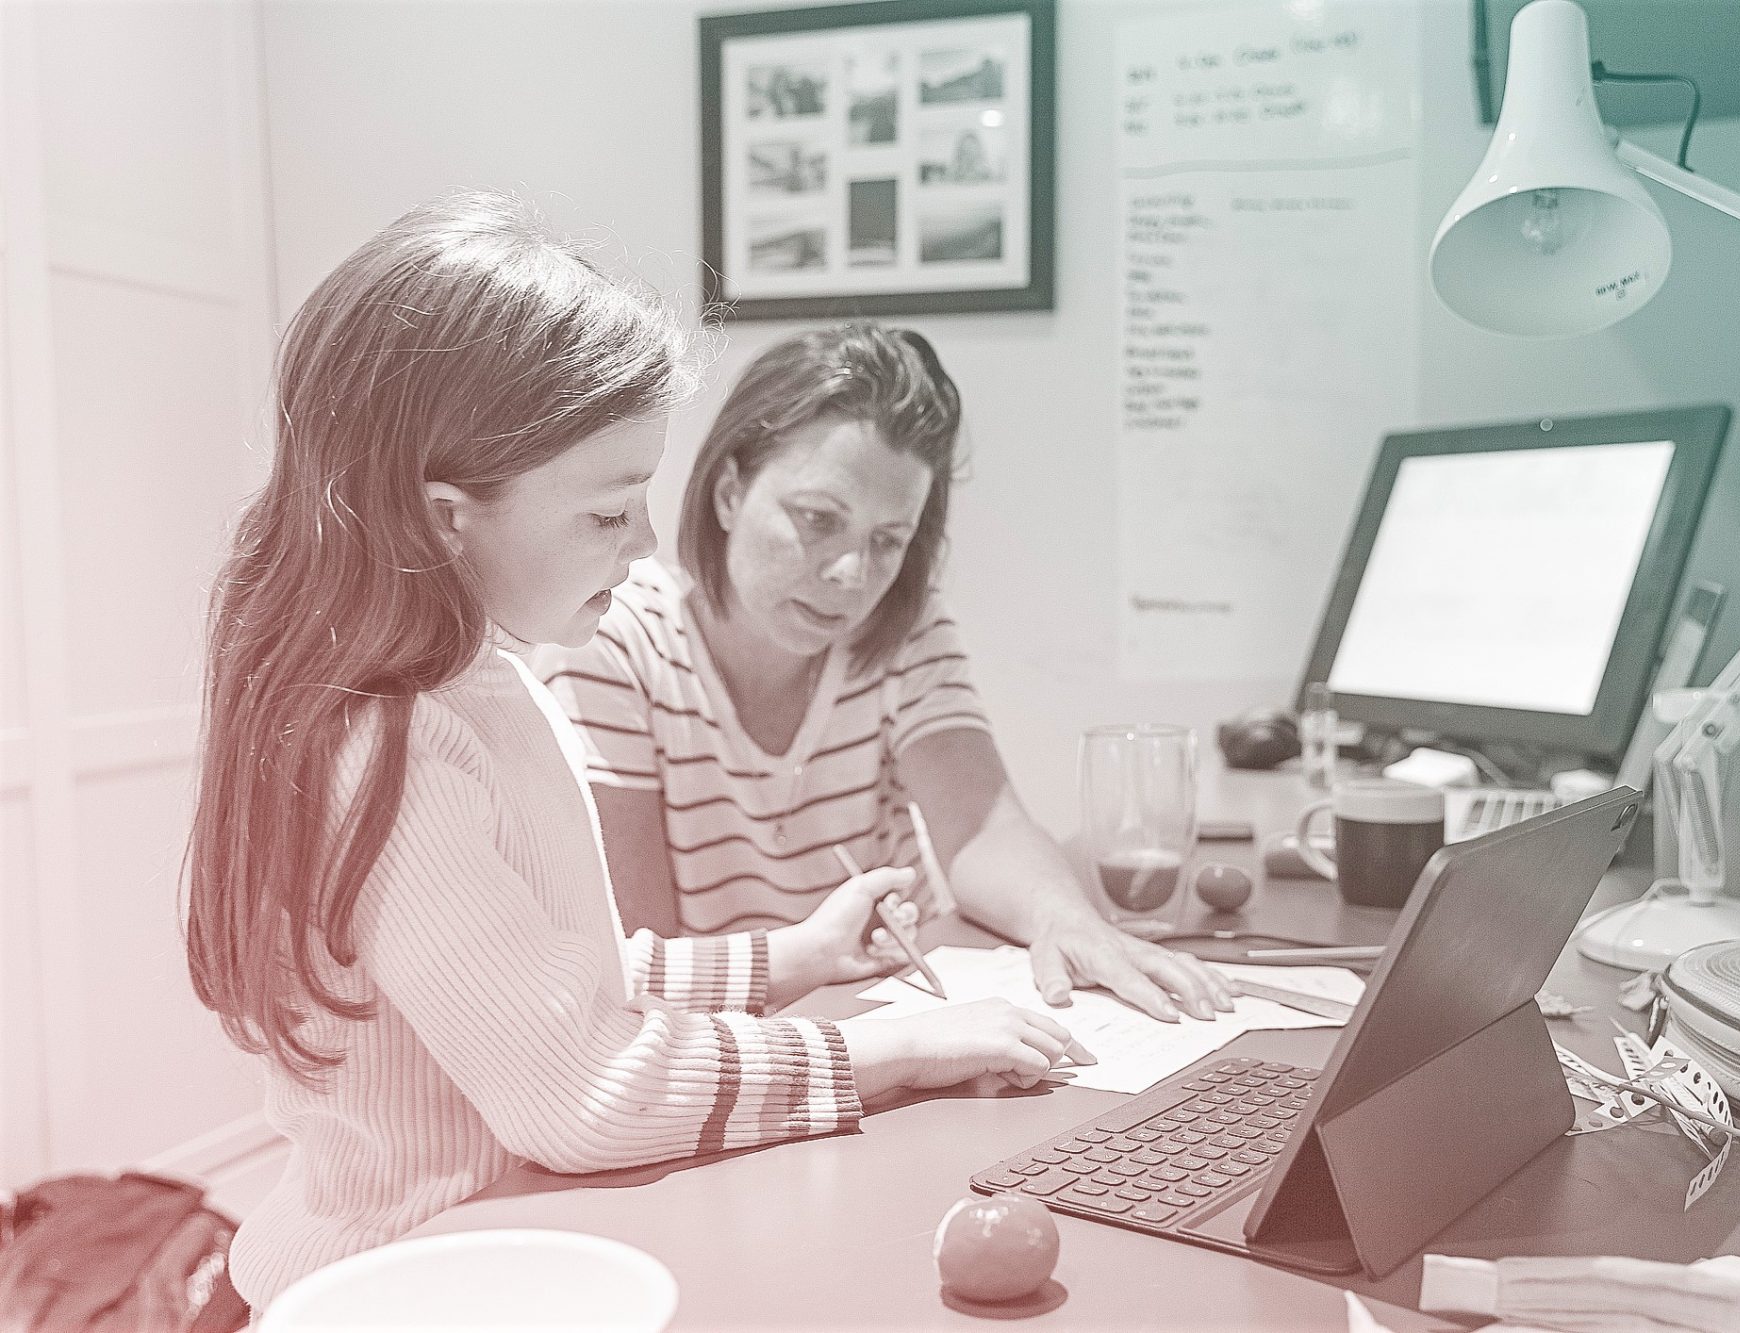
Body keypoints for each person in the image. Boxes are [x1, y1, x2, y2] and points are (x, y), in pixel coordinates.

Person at [182, 195, 1081, 1314]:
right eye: (609, 514)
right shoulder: (391, 747)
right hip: (402, 1284)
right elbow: (583, 1086)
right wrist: (889, 1053)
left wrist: (786, 961)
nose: (647, 545)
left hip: (509, 1243)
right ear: (445, 518)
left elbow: (560, 980)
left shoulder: (487, 688)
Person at [540, 324, 1236, 1024]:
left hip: (907, 1008)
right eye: (818, 519)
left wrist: (1068, 919)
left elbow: (981, 828)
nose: (852, 575)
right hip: (740, 1041)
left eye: (888, 541)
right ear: (729, 492)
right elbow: (641, 956)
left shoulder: (901, 625)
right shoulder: (615, 641)